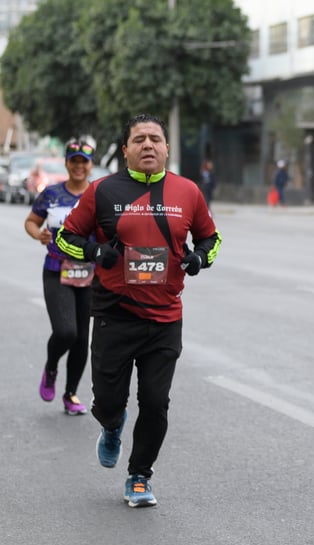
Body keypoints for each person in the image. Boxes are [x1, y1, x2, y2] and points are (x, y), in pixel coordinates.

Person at [56, 114, 222, 508]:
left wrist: (201, 258)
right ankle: (112, 426)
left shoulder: (188, 192)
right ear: (125, 149)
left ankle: (140, 476)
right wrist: (96, 251)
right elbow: (65, 238)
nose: (148, 145)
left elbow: (211, 238)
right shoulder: (102, 190)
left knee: (155, 401)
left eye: (155, 139)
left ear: (166, 148)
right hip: (114, 314)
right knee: (108, 402)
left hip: (165, 318)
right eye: (139, 139)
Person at [23, 138, 97, 415]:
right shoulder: (51, 194)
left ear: (90, 165)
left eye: (84, 161)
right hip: (56, 268)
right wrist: (37, 234)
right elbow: (32, 221)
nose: (79, 166)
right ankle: (52, 366)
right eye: (74, 160)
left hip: (89, 272)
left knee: (81, 339)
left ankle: (71, 394)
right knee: (66, 332)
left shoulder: (99, 194)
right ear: (67, 163)